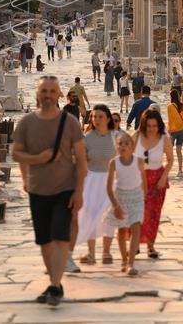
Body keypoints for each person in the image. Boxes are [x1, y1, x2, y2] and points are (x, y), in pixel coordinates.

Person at [12, 76, 87, 307]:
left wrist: (79, 192)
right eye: (44, 91)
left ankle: (55, 286)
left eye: (52, 91)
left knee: (61, 236)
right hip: (38, 189)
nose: (48, 95)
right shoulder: (26, 123)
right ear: (38, 94)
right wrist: (34, 163)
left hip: (64, 188)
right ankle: (55, 282)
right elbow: (16, 153)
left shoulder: (70, 123)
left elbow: (81, 160)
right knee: (44, 240)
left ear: (59, 95)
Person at [77, 105, 117, 267]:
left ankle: (106, 252)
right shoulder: (87, 138)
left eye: (100, 116)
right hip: (92, 180)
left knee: (109, 217)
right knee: (90, 215)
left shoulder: (116, 137)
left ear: (107, 118)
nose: (97, 120)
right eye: (94, 117)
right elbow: (81, 161)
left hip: (111, 180)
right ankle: (91, 253)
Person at [133, 108, 172, 259]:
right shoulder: (137, 136)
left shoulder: (164, 139)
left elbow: (170, 160)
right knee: (137, 212)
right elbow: (125, 153)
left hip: (157, 178)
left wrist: (163, 177)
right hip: (138, 179)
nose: (151, 129)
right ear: (144, 125)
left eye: (154, 126)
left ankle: (150, 245)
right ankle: (135, 243)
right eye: (148, 126)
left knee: (153, 214)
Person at [106, 132, 146, 276]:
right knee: (122, 230)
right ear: (116, 146)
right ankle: (124, 259)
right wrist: (115, 205)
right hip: (120, 197)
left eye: (126, 143)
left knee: (135, 228)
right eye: (120, 144)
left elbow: (144, 181)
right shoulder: (114, 163)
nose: (123, 146)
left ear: (132, 146)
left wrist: (143, 197)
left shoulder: (139, 161)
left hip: (136, 197)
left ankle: (131, 263)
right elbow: (108, 186)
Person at [166, 88, 183, 178]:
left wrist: (168, 132)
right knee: (179, 151)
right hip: (182, 131)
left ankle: (167, 170)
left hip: (173, 131)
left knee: (169, 151)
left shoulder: (170, 107)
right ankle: (180, 170)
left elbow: (170, 120)